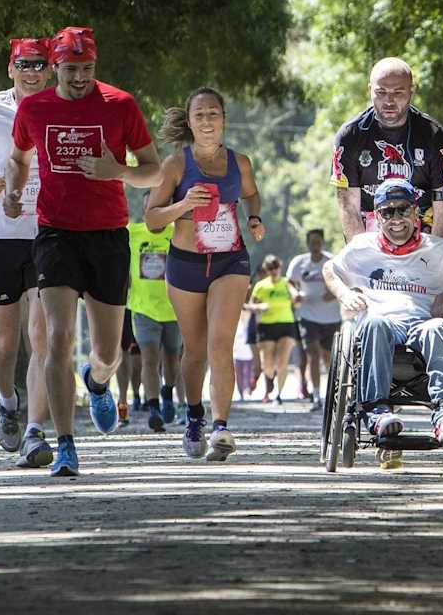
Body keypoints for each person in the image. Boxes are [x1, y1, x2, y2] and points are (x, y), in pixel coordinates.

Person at [6, 27, 163, 477]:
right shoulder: (34, 108)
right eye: (71, 69)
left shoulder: (121, 105)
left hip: (108, 235)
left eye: (88, 69)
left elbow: (152, 171)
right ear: (55, 66)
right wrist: (15, 190)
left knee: (108, 351)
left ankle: (97, 384)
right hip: (55, 233)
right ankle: (66, 445)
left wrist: (118, 171)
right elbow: (18, 157)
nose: (80, 78)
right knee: (56, 338)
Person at [321, 178, 443, 456]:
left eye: (403, 209)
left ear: (415, 212)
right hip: (380, 323)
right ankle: (376, 412)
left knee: (439, 328)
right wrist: (343, 294)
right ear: (377, 216)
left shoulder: (438, 250)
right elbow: (330, 269)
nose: (396, 218)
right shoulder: (362, 246)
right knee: (374, 322)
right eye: (387, 211)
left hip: (423, 324)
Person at [144, 87, 266, 460]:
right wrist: (184, 203)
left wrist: (254, 217)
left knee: (220, 343)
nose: (207, 121)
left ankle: (221, 427)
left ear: (224, 119)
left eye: (213, 113)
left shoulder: (239, 162)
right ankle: (194, 415)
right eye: (199, 115)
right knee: (195, 351)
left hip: (231, 260)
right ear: (190, 122)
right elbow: (151, 219)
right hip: (187, 263)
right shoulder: (175, 165)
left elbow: (250, 194)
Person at [0, 37, 54, 468]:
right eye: (25, 64)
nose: (33, 71)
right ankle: (6, 399)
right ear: (10, 68)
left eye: (40, 64)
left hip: (48, 233)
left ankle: (35, 432)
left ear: (51, 69)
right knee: (4, 343)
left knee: (41, 335)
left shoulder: (63, 107)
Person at [332, 58, 443, 242]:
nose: (389, 101)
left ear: (411, 91)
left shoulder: (435, 136)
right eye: (380, 92)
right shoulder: (349, 136)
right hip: (371, 234)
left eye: (398, 92)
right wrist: (362, 256)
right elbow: (348, 206)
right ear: (369, 90)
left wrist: (436, 257)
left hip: (422, 236)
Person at [126, 219, 183, 432]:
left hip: (173, 309)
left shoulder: (177, 233)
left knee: (171, 358)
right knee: (149, 358)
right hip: (143, 309)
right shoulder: (132, 232)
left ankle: (167, 392)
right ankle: (153, 409)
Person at [287, 229, 338, 410]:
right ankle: (316, 396)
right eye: (312, 242)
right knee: (313, 354)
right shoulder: (299, 263)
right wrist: (295, 295)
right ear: (307, 244)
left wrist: (332, 294)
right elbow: (290, 282)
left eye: (318, 242)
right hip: (307, 315)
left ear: (322, 243)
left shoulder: (331, 261)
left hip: (331, 317)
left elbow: (345, 283)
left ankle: (333, 396)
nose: (315, 245)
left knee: (328, 357)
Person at [247, 255, 298, 405]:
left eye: (276, 266)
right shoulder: (261, 286)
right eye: (270, 268)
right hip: (266, 327)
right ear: (266, 270)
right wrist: (260, 307)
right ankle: (271, 376)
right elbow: (250, 306)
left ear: (280, 267)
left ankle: (278, 395)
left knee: (283, 363)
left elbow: (297, 299)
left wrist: (297, 298)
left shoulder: (287, 283)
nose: (274, 270)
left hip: (286, 324)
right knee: (267, 365)